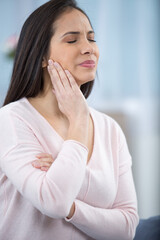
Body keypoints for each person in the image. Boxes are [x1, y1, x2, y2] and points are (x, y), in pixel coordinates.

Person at [0, 0, 139, 239]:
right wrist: (78, 120)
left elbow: (126, 227)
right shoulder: (11, 120)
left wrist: (72, 207)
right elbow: (53, 201)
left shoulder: (110, 129)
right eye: (72, 39)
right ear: (41, 57)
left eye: (91, 38)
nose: (89, 48)